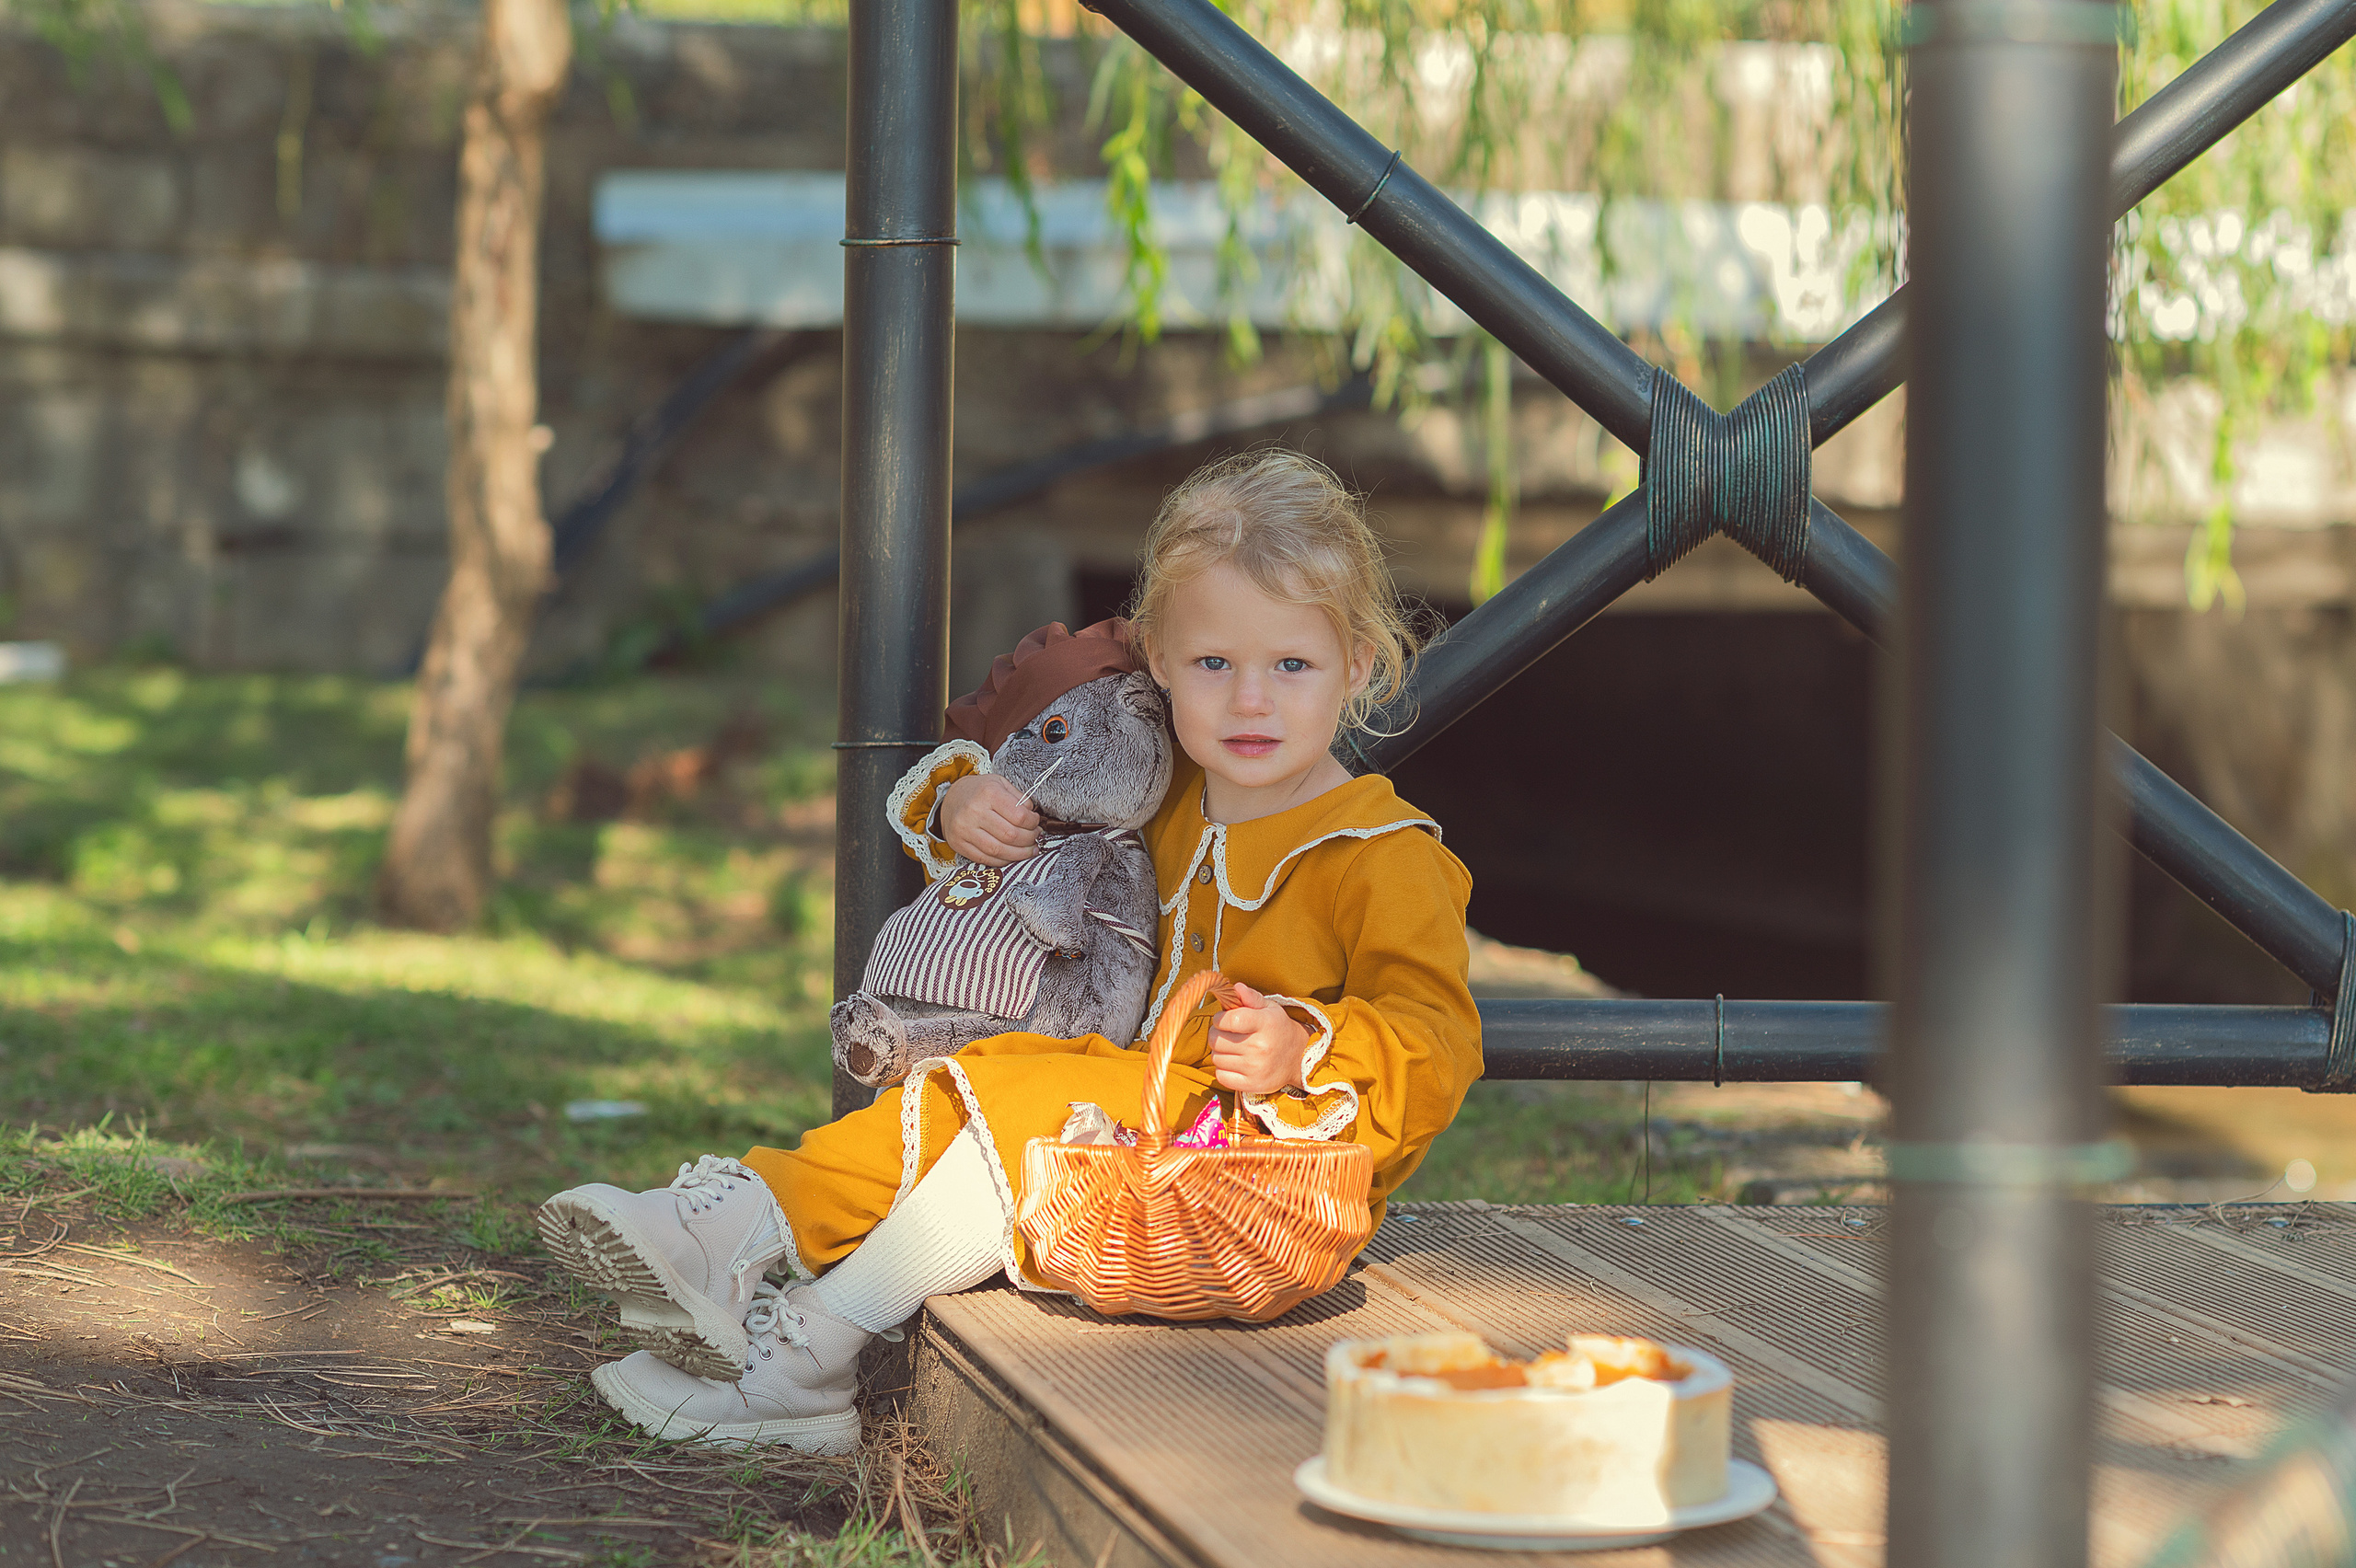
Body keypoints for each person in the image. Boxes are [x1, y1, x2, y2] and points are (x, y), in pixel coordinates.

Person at [538, 450, 1482, 1452]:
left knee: (1028, 1096)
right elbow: (1035, 785)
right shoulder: (1159, 791)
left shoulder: (1381, 853)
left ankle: (809, 1350)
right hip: (1116, 1113)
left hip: (1254, 1173)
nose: (1251, 701)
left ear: (1361, 667)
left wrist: (1310, 1047)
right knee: (971, 1085)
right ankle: (732, 1232)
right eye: (1213, 664)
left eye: (1291, 666)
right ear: (1157, 660)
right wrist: (964, 800)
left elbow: (1438, 1039)